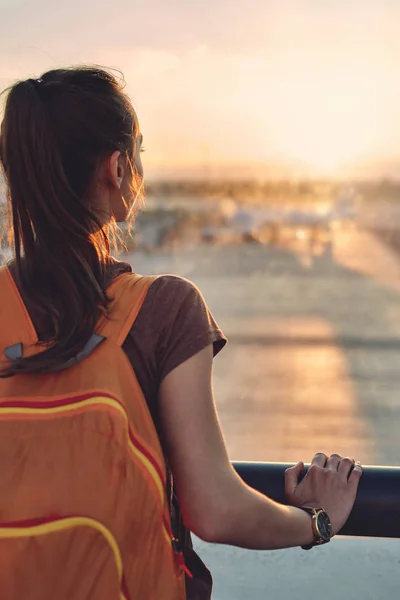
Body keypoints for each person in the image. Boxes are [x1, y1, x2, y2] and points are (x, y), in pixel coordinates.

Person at [0, 67, 362, 599]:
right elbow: (213, 510)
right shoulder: (163, 307)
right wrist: (319, 522)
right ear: (117, 167)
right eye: (139, 150)